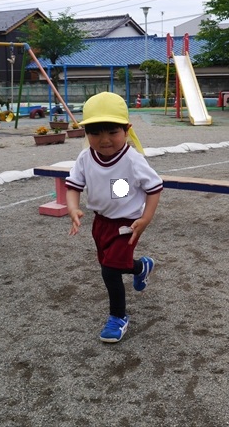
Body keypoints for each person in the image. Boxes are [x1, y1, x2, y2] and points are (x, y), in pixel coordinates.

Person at [65, 92, 163, 343]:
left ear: (126, 130)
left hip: (128, 224)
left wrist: (146, 219)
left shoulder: (132, 160)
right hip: (101, 223)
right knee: (112, 264)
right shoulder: (85, 157)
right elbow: (73, 186)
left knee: (110, 270)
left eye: (112, 132)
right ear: (86, 133)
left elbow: (154, 188)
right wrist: (73, 208)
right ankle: (141, 267)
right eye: (95, 133)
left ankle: (118, 317)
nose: (104, 140)